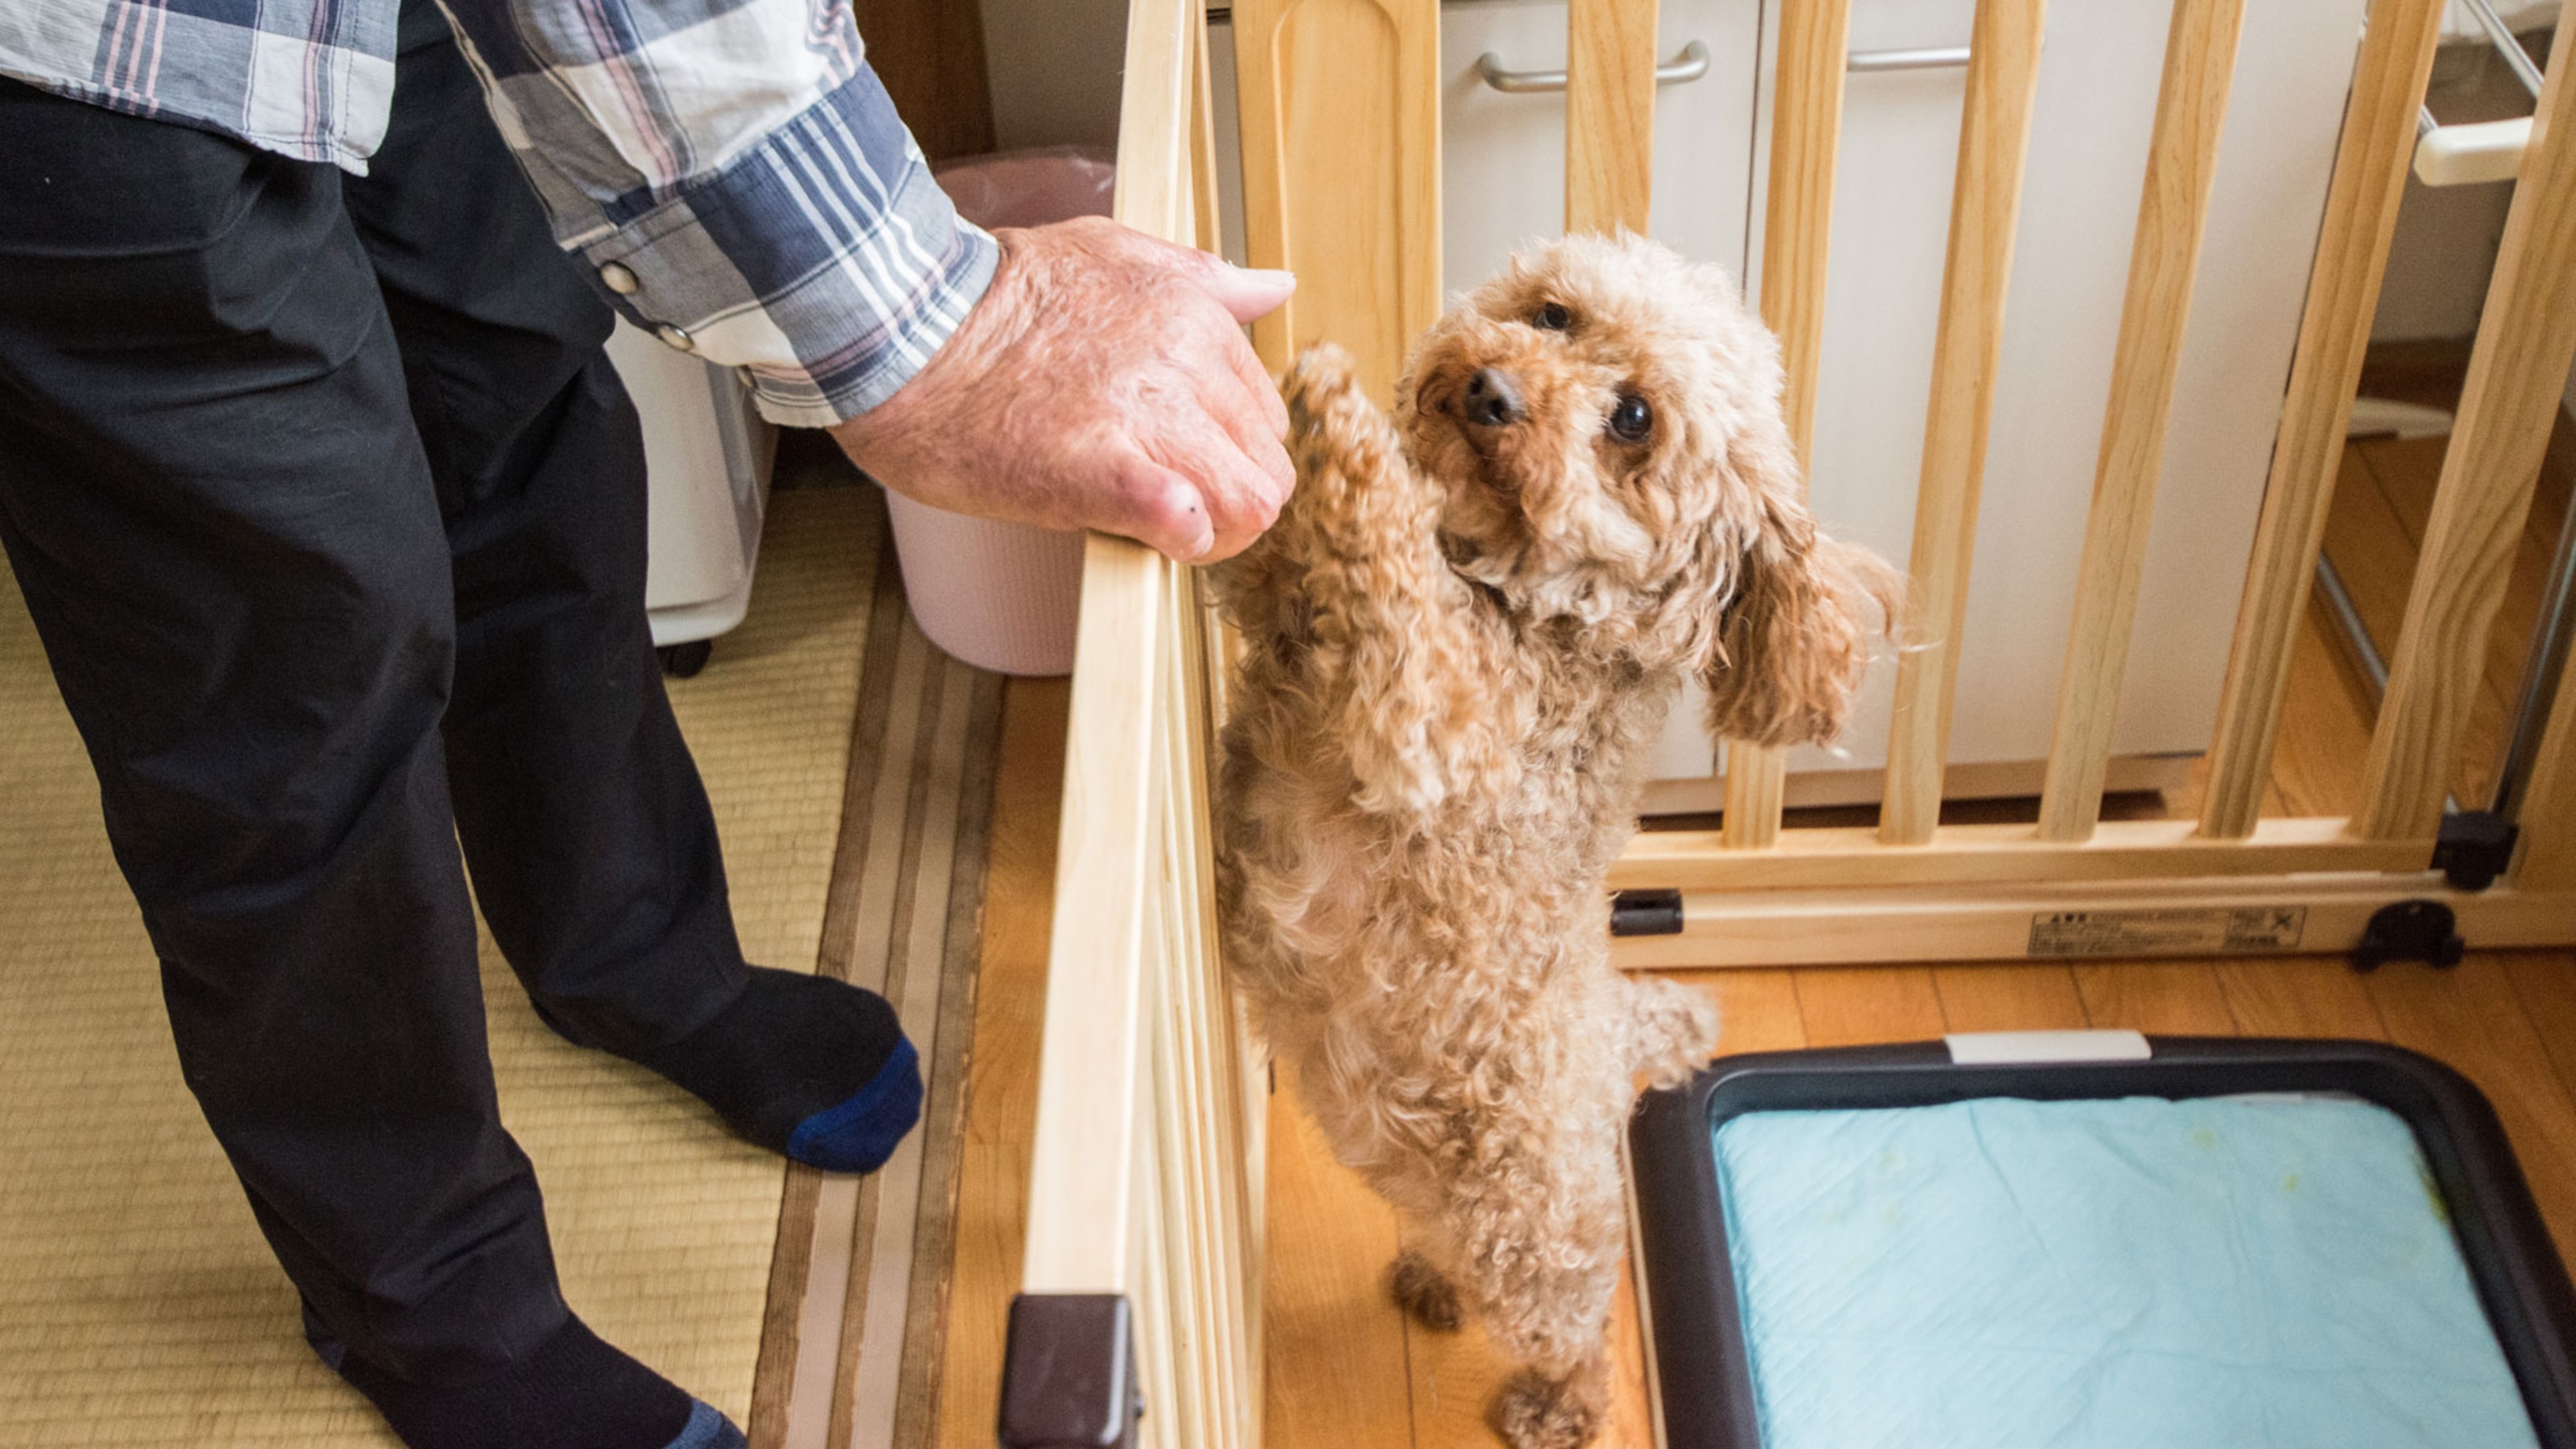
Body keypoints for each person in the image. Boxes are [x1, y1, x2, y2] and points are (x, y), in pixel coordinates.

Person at [0, 0, 1294, 1441]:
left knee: (524, 409)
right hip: (77, 59)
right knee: (286, 668)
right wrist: (941, 318)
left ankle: (631, 956)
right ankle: (427, 1304)